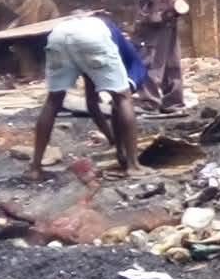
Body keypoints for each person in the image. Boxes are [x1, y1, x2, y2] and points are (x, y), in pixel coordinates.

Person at [30, 13, 142, 179]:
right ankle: (134, 166)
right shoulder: (134, 61)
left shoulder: (104, 35)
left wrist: (112, 139)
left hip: (59, 33)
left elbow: (92, 104)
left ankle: (35, 168)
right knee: (123, 98)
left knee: (53, 101)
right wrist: (119, 147)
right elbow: (119, 103)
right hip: (92, 36)